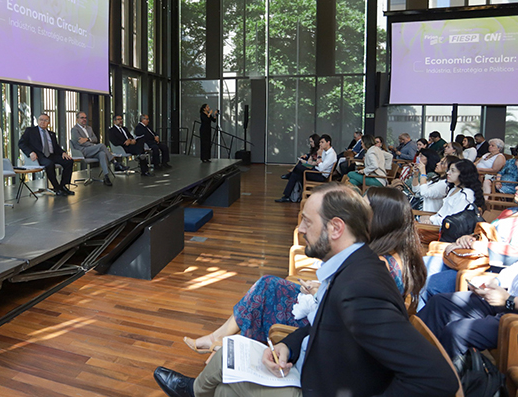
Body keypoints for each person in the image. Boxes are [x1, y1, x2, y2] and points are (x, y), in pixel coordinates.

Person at [154, 184, 458, 397]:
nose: (300, 229)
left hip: (318, 385)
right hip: (312, 366)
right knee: (226, 360)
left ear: (336, 229)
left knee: (224, 387)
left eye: (307, 222)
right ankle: (195, 391)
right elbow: (324, 322)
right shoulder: (351, 266)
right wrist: (289, 344)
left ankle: (196, 392)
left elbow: (437, 378)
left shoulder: (362, 287)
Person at [182, 186, 428, 355]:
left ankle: (225, 353)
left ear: (379, 219)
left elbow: (346, 309)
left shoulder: (379, 265)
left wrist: (321, 291)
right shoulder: (399, 257)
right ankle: (220, 345)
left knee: (268, 289)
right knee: (268, 285)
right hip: (328, 313)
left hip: (322, 327)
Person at [418, 260, 518, 366]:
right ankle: (414, 359)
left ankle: (443, 378)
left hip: (512, 311)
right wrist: (495, 282)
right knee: (440, 303)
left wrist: (509, 300)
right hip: (507, 297)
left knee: (458, 332)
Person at [18, 113, 75, 196]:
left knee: (69, 161)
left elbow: (56, 147)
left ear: (48, 122)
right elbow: (21, 143)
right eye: (41, 120)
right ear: (37, 121)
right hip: (39, 156)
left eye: (45, 120)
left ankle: (63, 185)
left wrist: (63, 152)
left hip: (51, 155)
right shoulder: (30, 131)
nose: (43, 122)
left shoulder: (51, 134)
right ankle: (57, 187)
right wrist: (30, 152)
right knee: (49, 164)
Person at [417, 159, 485, 227]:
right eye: (449, 170)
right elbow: (443, 214)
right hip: (438, 224)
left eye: (453, 171)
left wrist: (431, 219)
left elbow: (454, 220)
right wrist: (429, 219)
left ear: (463, 174)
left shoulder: (465, 194)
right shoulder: (453, 189)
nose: (448, 173)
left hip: (444, 230)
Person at [276, 134, 336, 203]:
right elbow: (318, 163)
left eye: (322, 142)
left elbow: (321, 168)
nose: (320, 144)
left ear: (328, 143)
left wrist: (319, 156)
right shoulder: (325, 152)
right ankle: (288, 196)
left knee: (298, 169)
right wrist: (313, 162)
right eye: (320, 142)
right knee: (296, 172)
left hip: (320, 175)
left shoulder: (331, 154)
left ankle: (289, 193)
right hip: (316, 171)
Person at [70, 111, 116, 186]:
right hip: (82, 151)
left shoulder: (89, 128)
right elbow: (80, 142)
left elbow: (95, 139)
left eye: (85, 118)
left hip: (91, 150)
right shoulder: (74, 130)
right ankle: (114, 161)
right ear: (77, 119)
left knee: (102, 153)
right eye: (82, 118)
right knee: (101, 145)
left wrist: (87, 139)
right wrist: (92, 144)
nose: (84, 119)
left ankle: (106, 176)